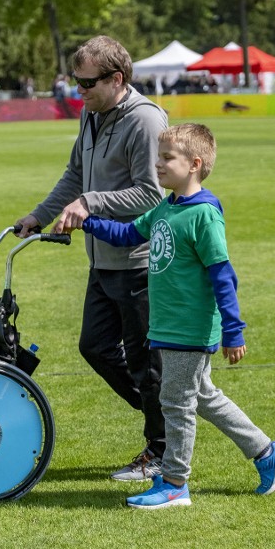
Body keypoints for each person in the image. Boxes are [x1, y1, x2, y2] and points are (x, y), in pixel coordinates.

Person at [72, 123, 275, 508]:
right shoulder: (164, 208)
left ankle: (174, 483)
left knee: (175, 403)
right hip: (167, 325)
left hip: (189, 328)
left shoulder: (204, 214)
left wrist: (233, 330)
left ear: (194, 164)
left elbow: (223, 274)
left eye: (166, 158)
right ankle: (266, 452)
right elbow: (127, 236)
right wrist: (86, 220)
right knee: (201, 396)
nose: (157, 165)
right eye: (158, 157)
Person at [16, 35, 168, 481]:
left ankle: (161, 446)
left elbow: (152, 193)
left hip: (139, 260)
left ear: (116, 79)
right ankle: (168, 421)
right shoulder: (92, 112)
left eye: (85, 83)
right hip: (101, 260)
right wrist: (39, 215)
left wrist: (91, 203)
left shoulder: (145, 121)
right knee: (95, 347)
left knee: (146, 363)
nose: (77, 91)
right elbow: (75, 174)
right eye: (74, 81)